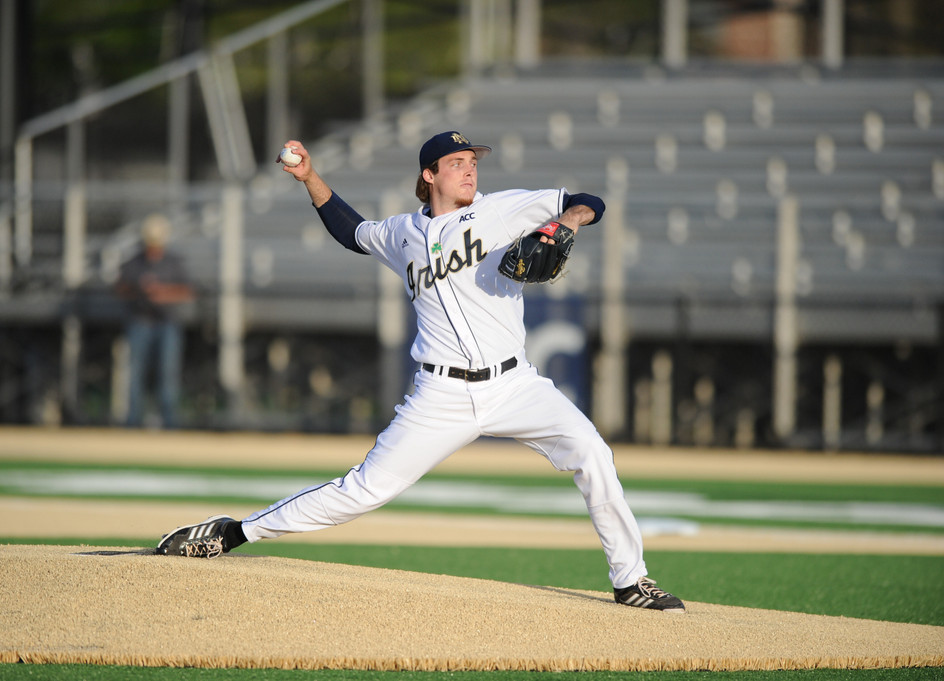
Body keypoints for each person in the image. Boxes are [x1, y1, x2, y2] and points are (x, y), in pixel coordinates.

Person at [156, 131, 685, 612]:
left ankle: (630, 580)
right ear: (429, 174)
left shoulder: (501, 210)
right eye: (457, 163)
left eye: (473, 161)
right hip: (440, 394)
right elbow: (350, 231)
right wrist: (310, 177)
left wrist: (568, 221)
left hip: (514, 384)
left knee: (592, 452)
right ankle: (235, 532)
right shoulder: (402, 233)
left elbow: (589, 201)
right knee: (363, 490)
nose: (470, 169)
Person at [115, 213, 194, 429]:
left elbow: (187, 291)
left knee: (167, 373)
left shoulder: (173, 262)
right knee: (135, 373)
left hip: (167, 322)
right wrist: (140, 290)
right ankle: (133, 420)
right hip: (140, 321)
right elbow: (120, 288)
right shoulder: (134, 262)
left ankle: (169, 421)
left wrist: (163, 293)